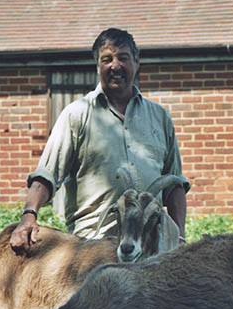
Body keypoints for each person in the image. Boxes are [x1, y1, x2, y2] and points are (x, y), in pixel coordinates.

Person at [10, 28, 190, 251]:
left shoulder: (159, 118)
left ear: (137, 62)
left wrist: (179, 237)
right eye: (107, 60)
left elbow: (174, 185)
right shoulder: (76, 114)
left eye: (123, 58)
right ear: (98, 67)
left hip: (150, 247)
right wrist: (29, 215)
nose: (115, 66)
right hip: (93, 246)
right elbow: (47, 174)